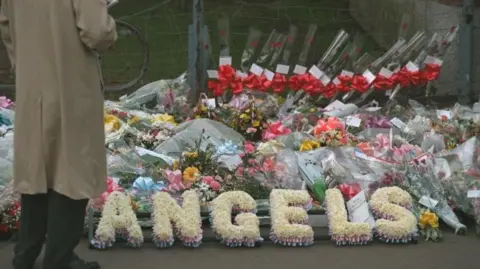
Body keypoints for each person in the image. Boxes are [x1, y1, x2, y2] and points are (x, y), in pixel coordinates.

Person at [0, 0, 117, 268]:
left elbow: (6, 24)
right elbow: (97, 31)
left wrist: (24, 64)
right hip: (70, 84)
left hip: (33, 83)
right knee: (71, 169)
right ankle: (60, 258)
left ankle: (25, 254)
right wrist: (109, 24)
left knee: (37, 172)